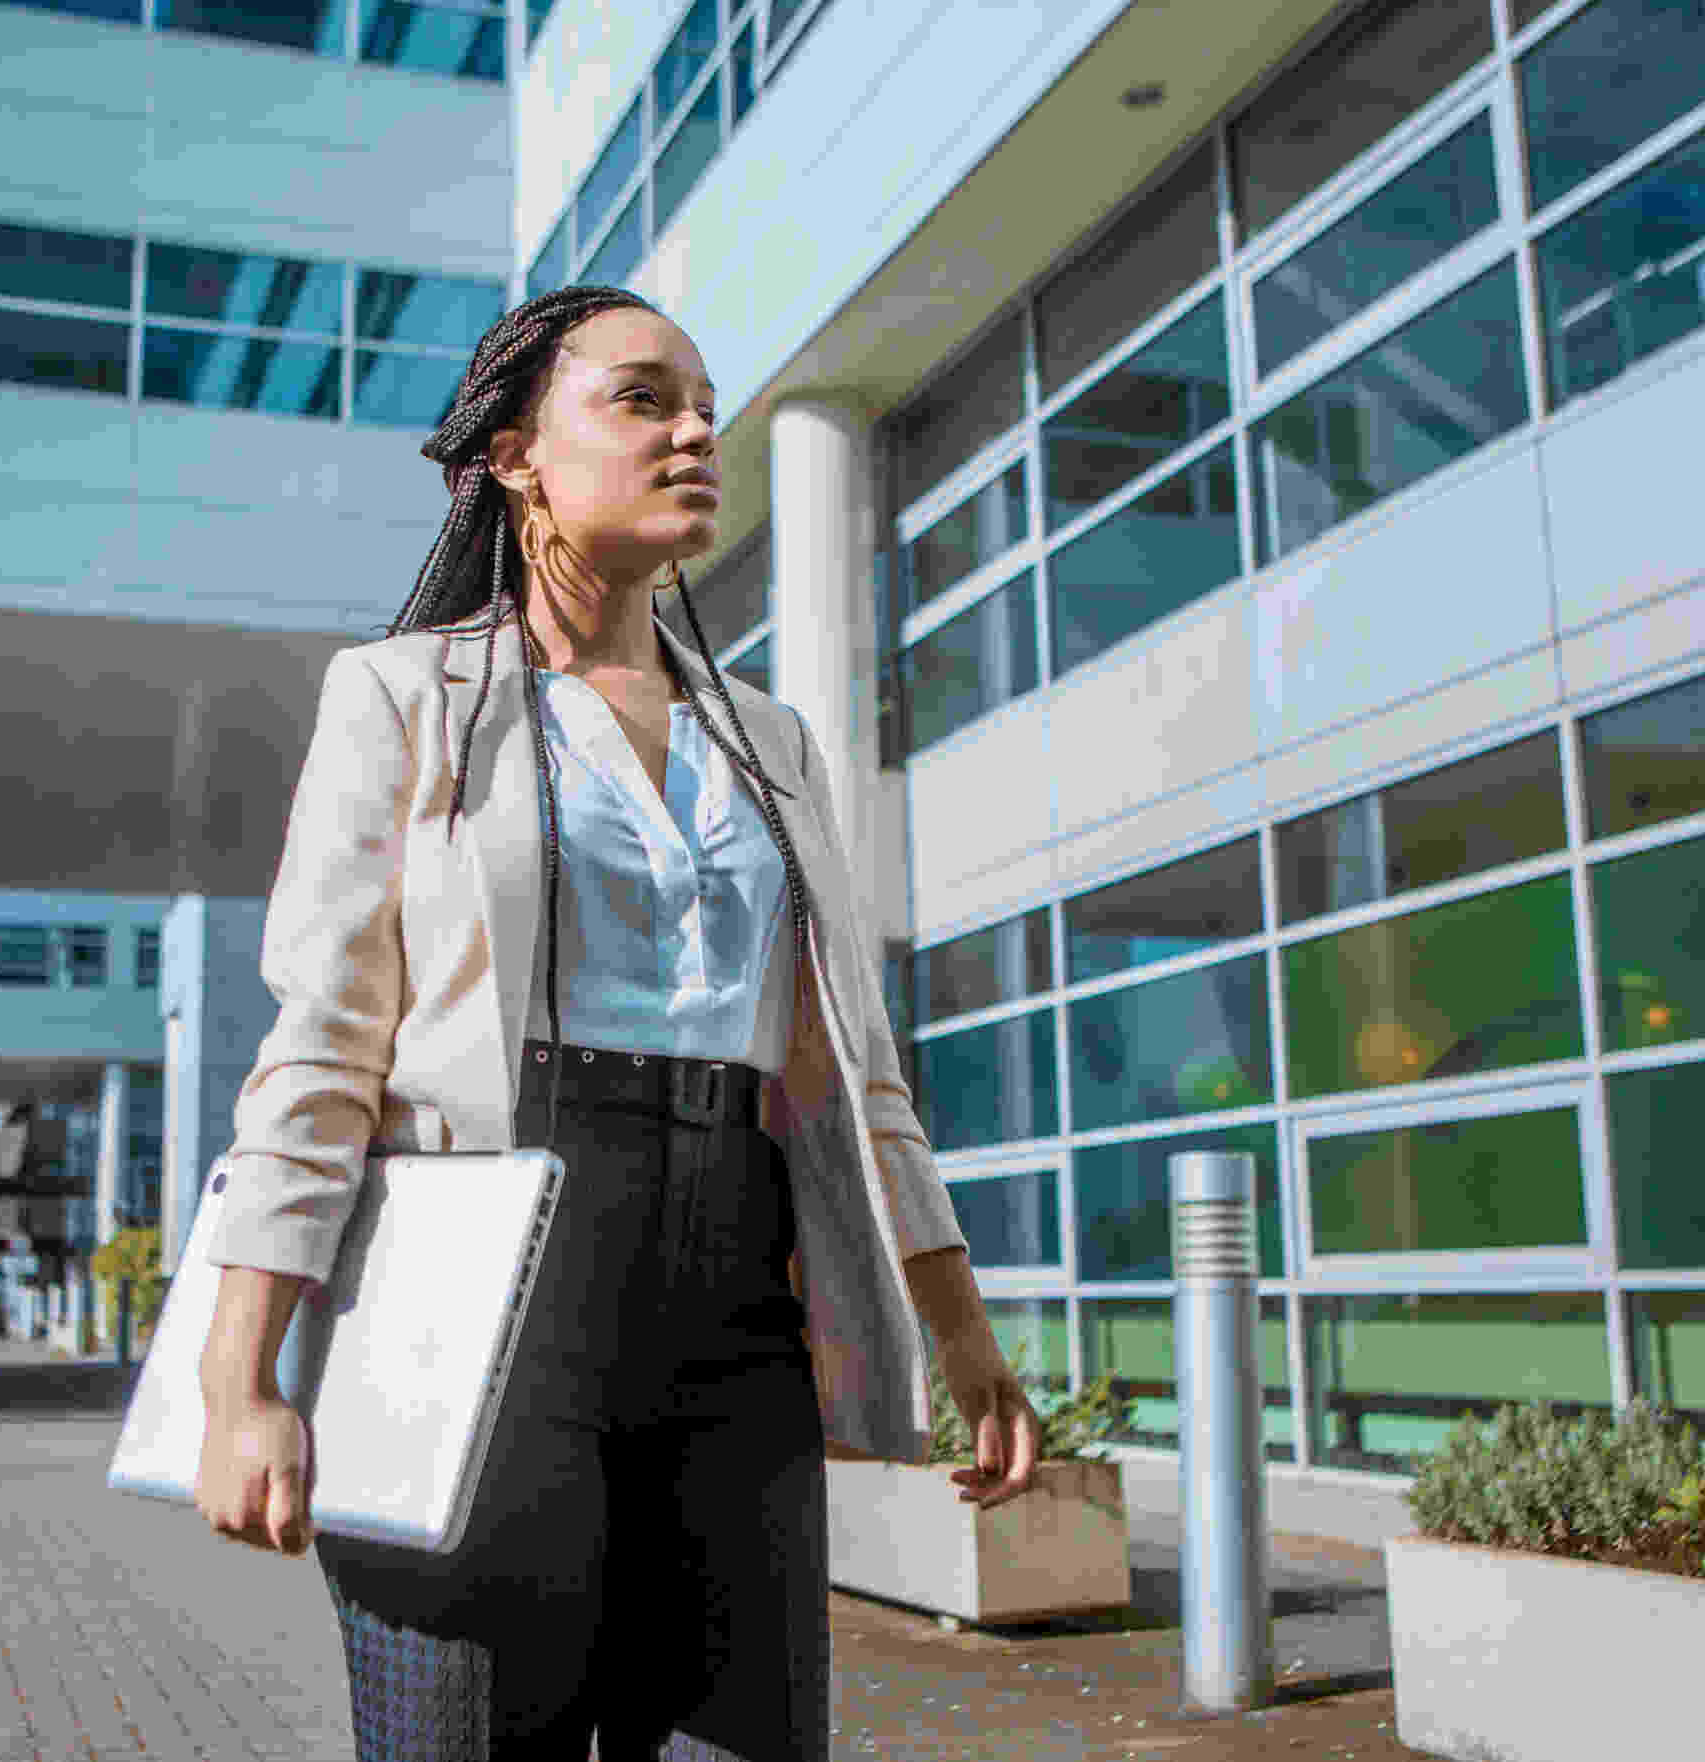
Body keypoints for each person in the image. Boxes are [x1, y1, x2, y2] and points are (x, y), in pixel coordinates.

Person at [191, 284, 1041, 1760]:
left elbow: (851, 1062)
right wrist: (240, 1378)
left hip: (735, 1313)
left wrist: (958, 1330)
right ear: (519, 454)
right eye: (643, 398)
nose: (696, 429)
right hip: (478, 1304)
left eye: (706, 402)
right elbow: (323, 1048)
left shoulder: (768, 741)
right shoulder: (401, 697)